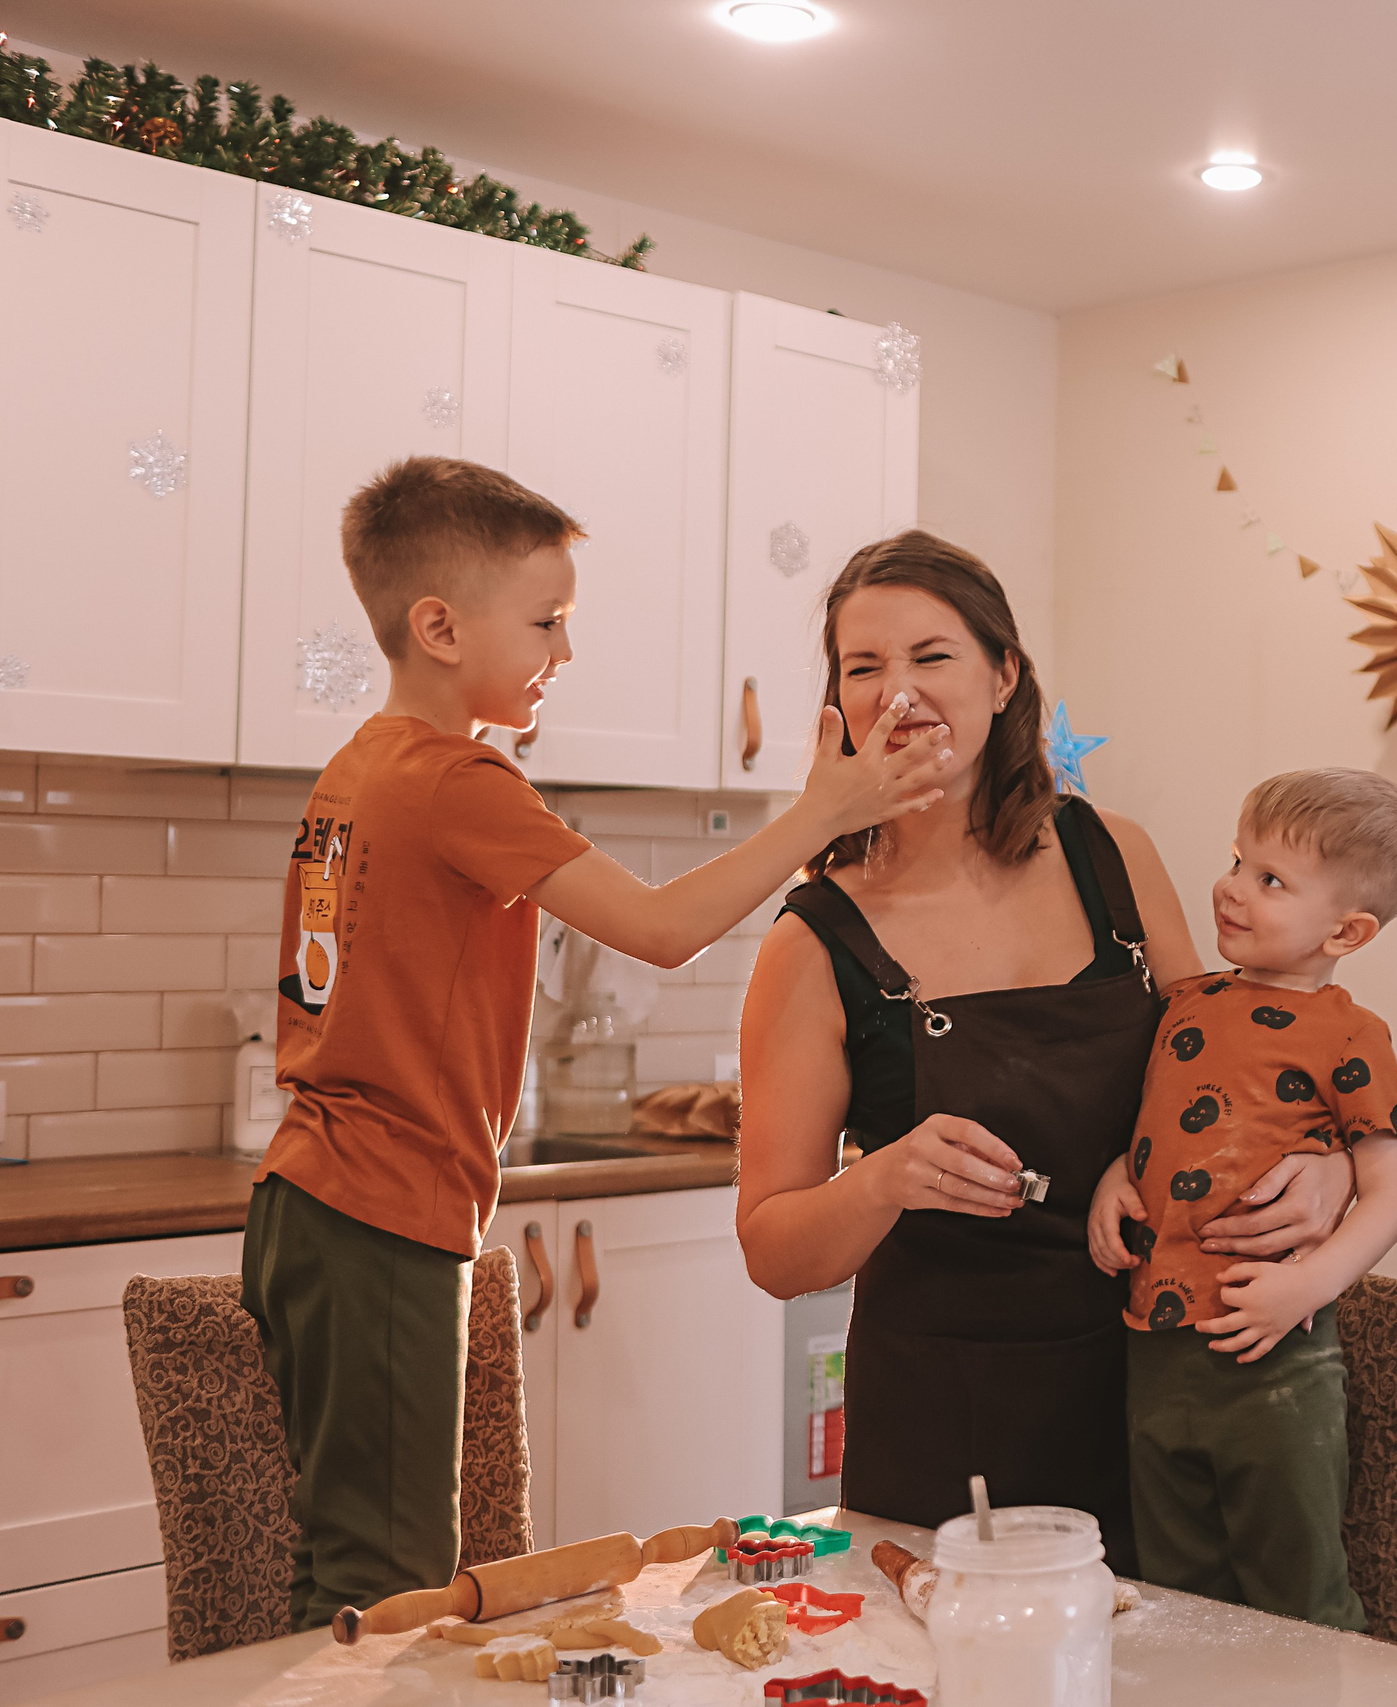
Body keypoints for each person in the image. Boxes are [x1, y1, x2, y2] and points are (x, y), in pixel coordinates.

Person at [244, 456, 951, 1632]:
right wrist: (824, 812)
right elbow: (663, 930)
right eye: (545, 621)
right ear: (440, 628)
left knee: (347, 1564)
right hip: (379, 1209)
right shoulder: (457, 779)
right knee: (384, 1584)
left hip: (311, 1201)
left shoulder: (361, 767)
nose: (564, 651)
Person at [733, 532, 1355, 1574]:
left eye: (932, 655)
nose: (899, 691)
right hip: (949, 1430)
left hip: (1165, 1385)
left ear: (1003, 675)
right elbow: (773, 1250)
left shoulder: (1113, 856)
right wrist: (884, 1179)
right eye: (864, 666)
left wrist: (1325, 1162)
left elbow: (1224, 1074)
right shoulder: (813, 942)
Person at [1085, 769, 1397, 1629]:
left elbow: (1390, 1195)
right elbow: (1164, 1127)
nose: (1232, 887)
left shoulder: (1352, 1032)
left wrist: (1310, 1283)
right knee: (1176, 1593)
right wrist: (1118, 1176)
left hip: (1274, 1357)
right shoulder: (1185, 1003)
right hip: (1154, 1348)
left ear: (1346, 930)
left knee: (1299, 1595)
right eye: (1238, 860)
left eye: (1271, 879)